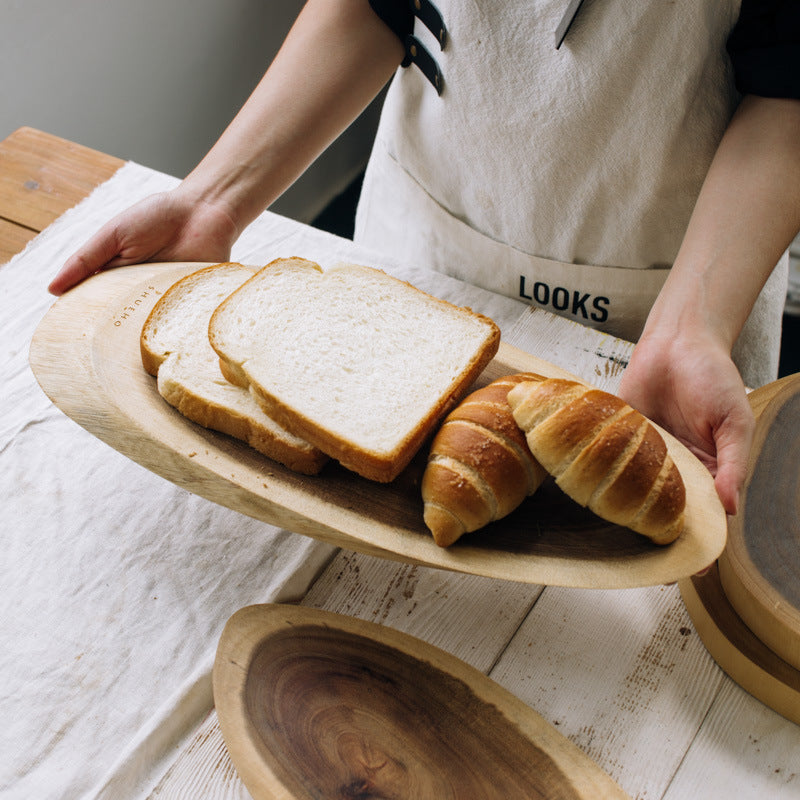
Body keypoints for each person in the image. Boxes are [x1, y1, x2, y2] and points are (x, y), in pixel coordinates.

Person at [49, 0, 800, 517]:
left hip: (679, 297)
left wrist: (688, 327)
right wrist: (213, 202)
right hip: (423, 238)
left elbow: (789, 79)